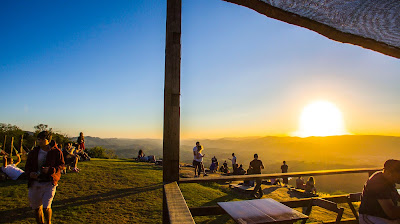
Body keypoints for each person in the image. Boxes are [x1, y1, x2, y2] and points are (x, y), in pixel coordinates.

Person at [25, 131, 65, 224]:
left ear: (48, 140)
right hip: (35, 182)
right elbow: (28, 166)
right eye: (39, 139)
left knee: (46, 206)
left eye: (42, 139)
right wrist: (30, 173)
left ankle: (49, 222)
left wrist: (51, 170)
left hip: (49, 182)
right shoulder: (34, 152)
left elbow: (61, 165)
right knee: (36, 207)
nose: (40, 141)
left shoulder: (56, 151)